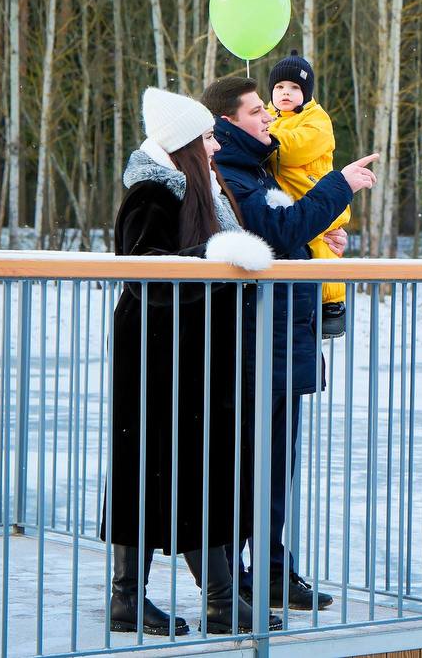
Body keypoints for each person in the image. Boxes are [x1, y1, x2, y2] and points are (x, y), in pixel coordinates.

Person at [104, 86, 281, 636]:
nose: (213, 145)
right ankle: (145, 597)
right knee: (158, 470)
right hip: (158, 354)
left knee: (197, 469)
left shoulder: (197, 188)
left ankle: (216, 599)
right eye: (205, 136)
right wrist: (214, 258)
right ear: (183, 143)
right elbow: (145, 270)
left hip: (193, 353)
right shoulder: (153, 193)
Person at [203, 75, 377, 611]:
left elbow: (289, 228)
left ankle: (272, 570)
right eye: (257, 110)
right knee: (246, 466)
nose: (267, 118)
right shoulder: (231, 169)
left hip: (280, 339)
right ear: (229, 121)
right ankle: (234, 584)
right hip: (255, 345)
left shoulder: (257, 167)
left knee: (277, 464)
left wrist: (319, 234)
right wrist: (339, 185)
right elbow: (275, 231)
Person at [265, 50, 351, 337]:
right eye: (279, 87)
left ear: (307, 92)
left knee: (321, 242)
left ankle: (333, 304)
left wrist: (263, 136)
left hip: (313, 191)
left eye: (294, 88)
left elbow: (293, 149)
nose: (285, 93)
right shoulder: (267, 116)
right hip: (287, 199)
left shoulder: (317, 120)